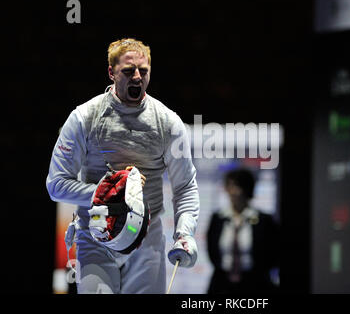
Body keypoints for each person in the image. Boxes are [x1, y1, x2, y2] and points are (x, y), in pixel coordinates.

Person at [46, 38, 199, 294]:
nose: (137, 77)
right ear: (111, 72)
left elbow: (185, 187)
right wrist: (108, 192)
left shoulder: (169, 123)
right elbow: (56, 184)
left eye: (144, 70)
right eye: (128, 71)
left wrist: (184, 233)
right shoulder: (85, 117)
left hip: (147, 242)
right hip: (95, 236)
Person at [207, 168, 280, 294]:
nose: (234, 192)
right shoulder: (218, 218)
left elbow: (273, 254)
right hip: (222, 283)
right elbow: (212, 251)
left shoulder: (264, 220)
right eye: (229, 186)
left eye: (238, 186)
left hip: (256, 283)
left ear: (248, 189)